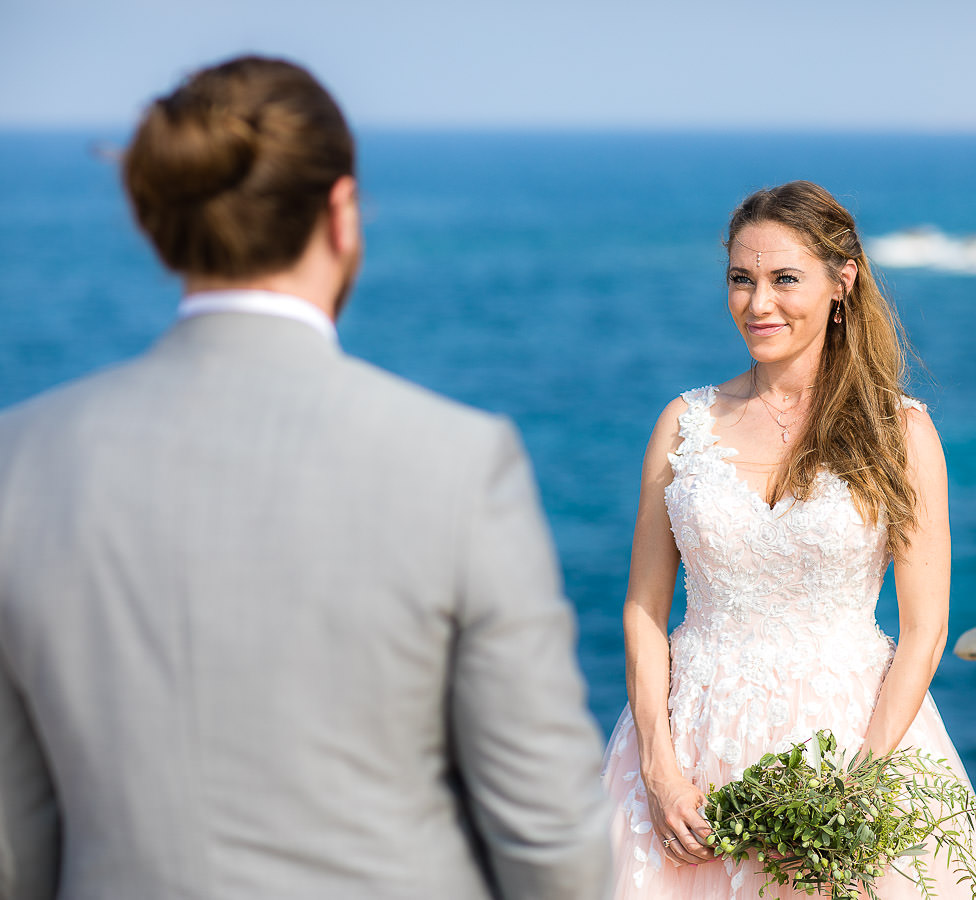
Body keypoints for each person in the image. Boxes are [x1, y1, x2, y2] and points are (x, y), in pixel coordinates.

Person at [0, 56, 609, 900]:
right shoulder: (459, 461)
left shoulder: (19, 461)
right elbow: (549, 839)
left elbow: (12, 843)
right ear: (342, 213)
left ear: (155, 219)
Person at [600, 181, 976, 898]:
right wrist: (659, 770)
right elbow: (642, 609)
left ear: (841, 282)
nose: (759, 305)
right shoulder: (683, 422)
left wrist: (860, 791)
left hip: (852, 747)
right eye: (740, 280)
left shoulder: (901, 432)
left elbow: (926, 631)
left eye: (785, 279)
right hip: (692, 746)